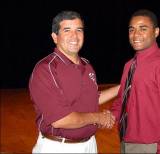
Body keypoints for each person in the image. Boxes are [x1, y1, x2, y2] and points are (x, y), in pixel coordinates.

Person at [29, 10, 119, 153]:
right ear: (55, 37)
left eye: (79, 30)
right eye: (67, 30)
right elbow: (61, 119)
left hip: (90, 144)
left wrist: (123, 87)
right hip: (59, 147)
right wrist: (99, 118)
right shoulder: (46, 69)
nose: (74, 36)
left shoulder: (86, 65)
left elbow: (92, 98)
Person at [111, 9, 160, 153]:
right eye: (131, 29)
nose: (135, 35)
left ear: (156, 32)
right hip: (126, 141)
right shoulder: (129, 65)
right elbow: (123, 99)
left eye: (143, 29)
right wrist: (110, 116)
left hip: (151, 147)